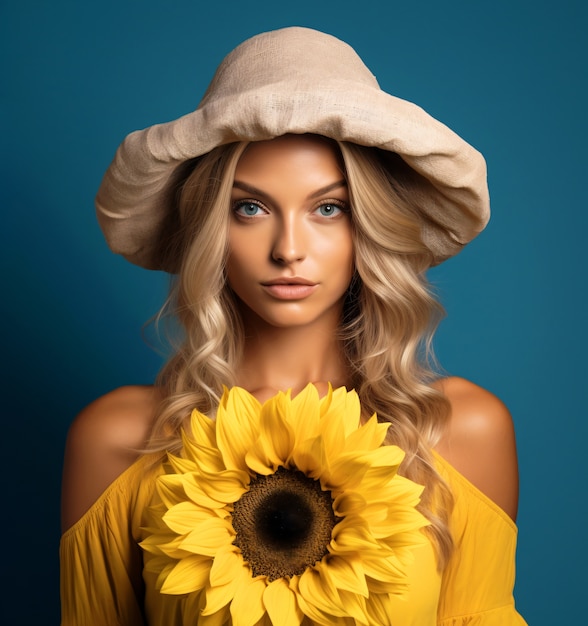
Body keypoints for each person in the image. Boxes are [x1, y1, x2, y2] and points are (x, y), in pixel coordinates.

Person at [60, 26, 527, 625]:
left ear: (369, 228)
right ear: (209, 229)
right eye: (249, 208)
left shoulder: (462, 432)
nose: (288, 249)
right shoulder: (119, 440)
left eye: (328, 208)